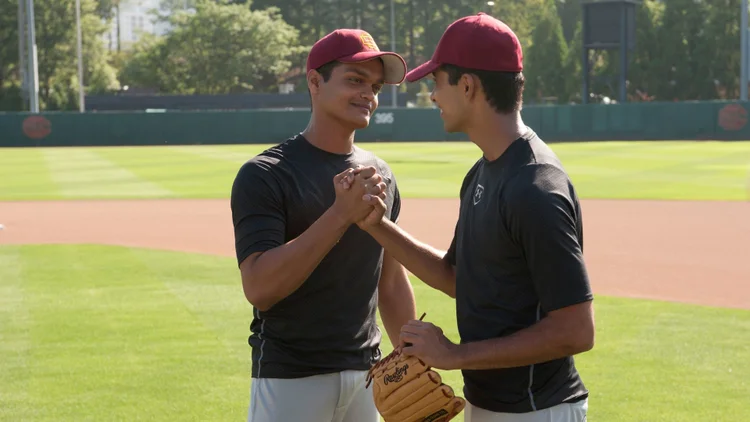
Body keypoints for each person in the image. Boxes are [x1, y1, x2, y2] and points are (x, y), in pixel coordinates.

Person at [350, 13, 595, 422]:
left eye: (436, 82)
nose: (432, 96)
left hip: (538, 410)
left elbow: (575, 330)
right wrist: (377, 226)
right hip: (490, 404)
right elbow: (457, 278)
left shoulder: (536, 186)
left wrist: (454, 355)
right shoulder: (483, 172)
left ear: (467, 85)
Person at [230, 28, 417, 422]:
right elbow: (260, 287)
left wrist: (411, 360)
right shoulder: (266, 174)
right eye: (354, 80)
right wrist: (339, 214)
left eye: (375, 85)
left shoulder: (380, 174)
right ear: (315, 81)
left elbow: (392, 282)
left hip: (368, 375)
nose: (368, 93)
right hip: (291, 378)